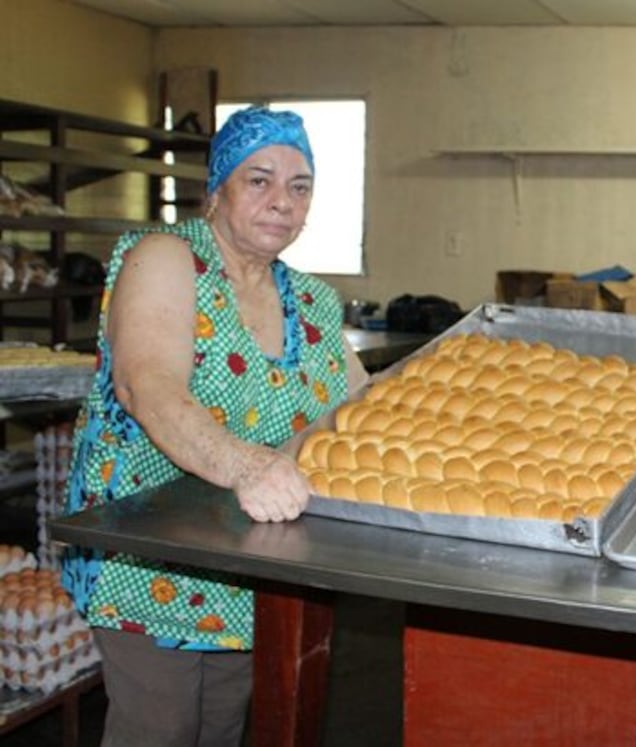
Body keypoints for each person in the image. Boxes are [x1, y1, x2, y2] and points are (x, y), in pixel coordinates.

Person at [60, 106, 369, 746]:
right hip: (148, 552)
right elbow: (146, 385)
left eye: (299, 186)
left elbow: (364, 409)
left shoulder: (312, 301)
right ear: (218, 187)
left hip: (248, 560)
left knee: (223, 727)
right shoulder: (167, 259)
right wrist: (247, 466)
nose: (282, 201)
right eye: (259, 180)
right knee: (161, 728)